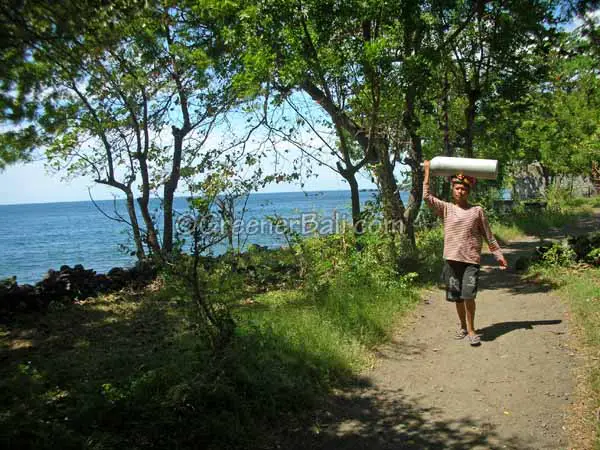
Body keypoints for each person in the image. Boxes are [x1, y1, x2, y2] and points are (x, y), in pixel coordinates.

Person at [422, 160, 507, 346]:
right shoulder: (446, 209)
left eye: (464, 189)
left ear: (468, 192)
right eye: (457, 188)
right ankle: (462, 326)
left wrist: (498, 254)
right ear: (453, 190)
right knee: (457, 297)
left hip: (471, 261)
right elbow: (426, 197)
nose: (460, 191)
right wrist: (428, 171)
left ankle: (471, 330)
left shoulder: (477, 211)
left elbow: (488, 234)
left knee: (469, 295)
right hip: (452, 260)